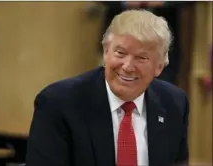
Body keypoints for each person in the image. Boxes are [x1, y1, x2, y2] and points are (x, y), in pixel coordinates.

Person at [25, 10, 189, 166]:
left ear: (159, 66)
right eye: (120, 53)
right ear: (105, 53)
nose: (127, 66)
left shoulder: (174, 103)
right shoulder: (58, 104)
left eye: (141, 57)